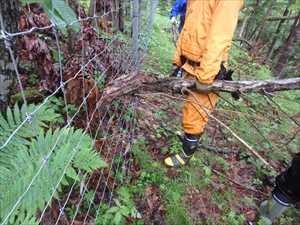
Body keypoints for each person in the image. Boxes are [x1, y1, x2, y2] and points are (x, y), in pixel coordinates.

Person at [164, 0, 244, 168]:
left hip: (206, 68)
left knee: (196, 115)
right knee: (189, 108)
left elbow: (220, 37)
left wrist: (206, 76)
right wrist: (178, 59)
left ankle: (186, 155)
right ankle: (189, 137)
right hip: (190, 63)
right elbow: (188, 25)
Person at [248, 154, 300, 225]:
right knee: (268, 215)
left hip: (283, 188)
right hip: (285, 194)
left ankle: (256, 219)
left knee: (267, 208)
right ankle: (255, 221)